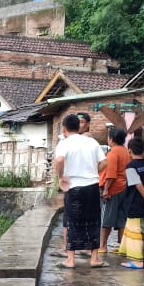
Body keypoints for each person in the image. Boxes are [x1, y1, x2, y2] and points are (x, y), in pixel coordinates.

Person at [54, 114, 108, 268]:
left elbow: (59, 160)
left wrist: (61, 177)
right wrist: (93, 171)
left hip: (75, 188)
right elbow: (105, 162)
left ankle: (70, 260)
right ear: (78, 127)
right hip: (92, 187)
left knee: (73, 221)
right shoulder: (91, 142)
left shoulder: (64, 143)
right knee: (93, 220)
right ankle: (94, 258)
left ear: (64, 128)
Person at [120, 138, 144, 269]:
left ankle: (137, 261)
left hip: (134, 202)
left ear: (129, 151)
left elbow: (137, 183)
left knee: (134, 232)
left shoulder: (130, 166)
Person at [98, 127, 128, 254]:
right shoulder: (126, 152)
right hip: (125, 187)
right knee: (122, 219)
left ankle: (103, 246)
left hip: (113, 189)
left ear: (111, 139)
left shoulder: (112, 153)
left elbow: (110, 174)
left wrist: (105, 190)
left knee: (106, 219)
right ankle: (122, 246)